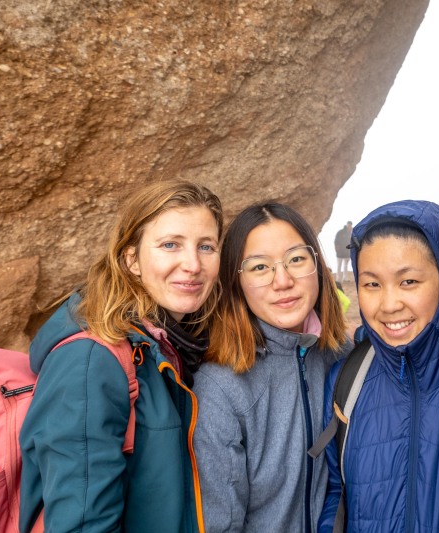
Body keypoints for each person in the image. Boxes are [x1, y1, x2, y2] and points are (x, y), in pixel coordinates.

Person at [19, 180, 224, 533]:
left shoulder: (173, 345)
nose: (192, 264)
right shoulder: (91, 360)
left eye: (206, 246)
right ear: (132, 260)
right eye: (170, 245)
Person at [319, 200, 439, 532]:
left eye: (408, 282)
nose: (389, 305)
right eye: (372, 284)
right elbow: (335, 497)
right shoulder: (349, 377)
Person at [192, 202, 351, 533]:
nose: (283, 281)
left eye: (296, 259)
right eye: (259, 267)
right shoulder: (221, 386)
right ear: (236, 283)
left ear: (318, 266)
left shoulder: (345, 358)